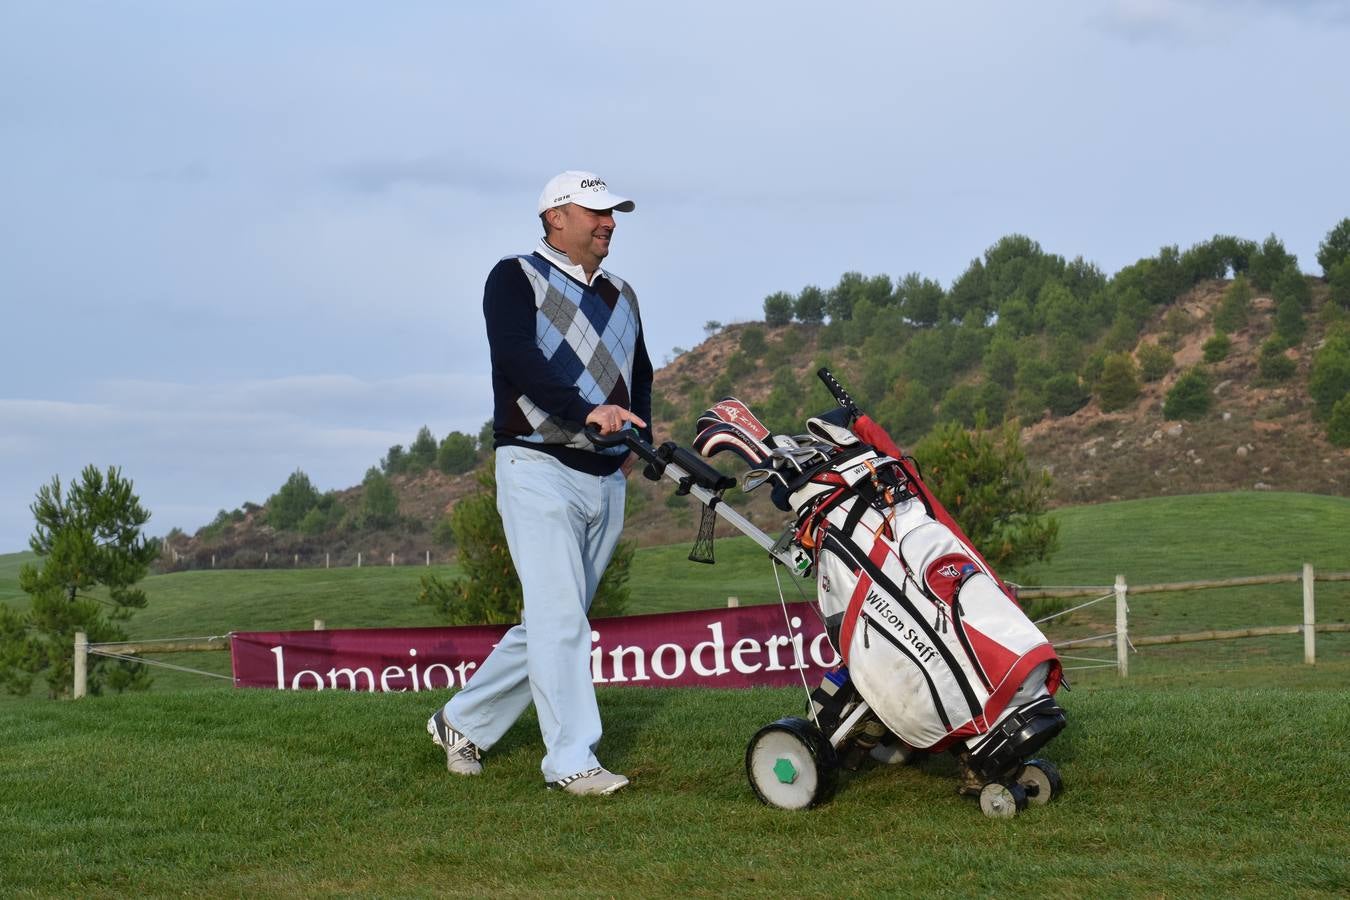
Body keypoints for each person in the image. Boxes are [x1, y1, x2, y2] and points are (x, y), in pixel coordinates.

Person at [426, 170, 653, 796]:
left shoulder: (622, 293)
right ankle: (572, 760)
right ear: (556, 216)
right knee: (560, 620)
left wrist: (638, 434)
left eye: (613, 214)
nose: (608, 223)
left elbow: (641, 372)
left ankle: (461, 721)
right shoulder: (514, 276)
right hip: (535, 465)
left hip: (605, 476)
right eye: (596, 212)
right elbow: (517, 360)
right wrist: (586, 411)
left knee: (558, 620)